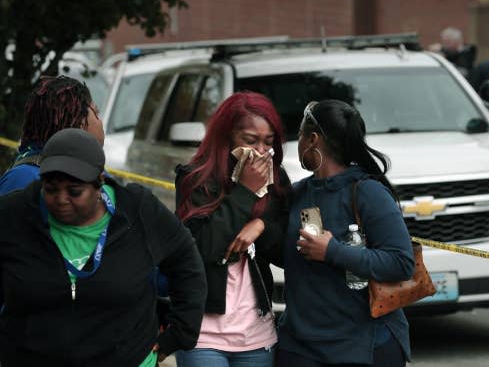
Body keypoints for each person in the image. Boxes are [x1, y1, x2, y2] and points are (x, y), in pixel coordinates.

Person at [0, 128, 206, 366]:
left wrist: (180, 333)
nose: (61, 199)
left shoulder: (138, 211)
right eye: (50, 188)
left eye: (74, 191)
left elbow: (187, 261)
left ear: (99, 182)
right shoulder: (14, 214)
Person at [277, 99, 415, 366]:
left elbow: (401, 262)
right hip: (300, 346)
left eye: (301, 134)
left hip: (363, 345)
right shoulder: (298, 193)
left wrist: (334, 251)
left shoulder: (367, 192)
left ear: (313, 139)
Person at [174, 92, 290, 367]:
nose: (260, 151)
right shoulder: (194, 178)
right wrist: (245, 193)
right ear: (226, 138)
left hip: (256, 333)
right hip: (202, 333)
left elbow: (286, 253)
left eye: (268, 143)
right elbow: (201, 249)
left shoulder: (275, 180)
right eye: (250, 141)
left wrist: (261, 225)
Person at [0, 75, 104, 195]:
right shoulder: (25, 178)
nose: (100, 122)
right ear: (76, 121)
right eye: (96, 112)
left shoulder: (88, 172)